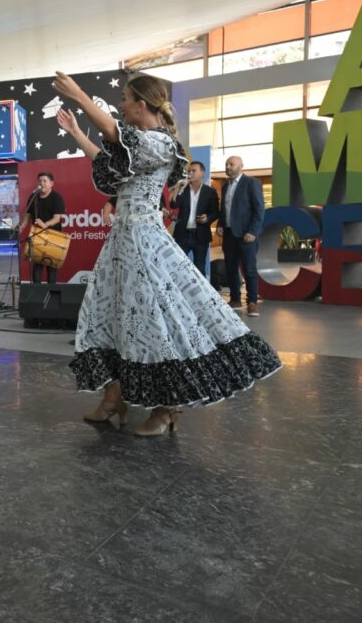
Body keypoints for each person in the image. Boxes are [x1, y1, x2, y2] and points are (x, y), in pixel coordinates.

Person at [53, 71, 280, 436]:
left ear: (142, 105)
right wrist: (78, 133)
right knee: (112, 314)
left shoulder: (161, 143)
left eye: (125, 99)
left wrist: (80, 95)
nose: (122, 105)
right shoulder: (139, 144)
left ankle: (167, 407)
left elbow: (116, 135)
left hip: (144, 242)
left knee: (154, 318)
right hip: (122, 244)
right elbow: (110, 160)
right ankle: (115, 397)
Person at [217, 155, 265, 316]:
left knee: (249, 270)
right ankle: (235, 299)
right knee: (231, 269)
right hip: (229, 235)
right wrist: (221, 225)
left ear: (241, 166)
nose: (228, 167)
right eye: (226, 164)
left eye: (232, 164)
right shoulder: (225, 187)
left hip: (247, 235)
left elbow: (259, 210)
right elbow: (223, 210)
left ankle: (252, 302)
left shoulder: (251, 183)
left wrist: (253, 231)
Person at [170, 161, 219, 276]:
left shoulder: (210, 192)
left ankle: (200, 294)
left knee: (200, 268)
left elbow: (216, 212)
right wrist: (181, 189)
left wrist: (207, 219)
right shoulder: (183, 189)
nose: (190, 173)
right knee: (178, 265)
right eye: (189, 171)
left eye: (194, 171)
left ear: (202, 173)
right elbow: (174, 205)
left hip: (201, 236)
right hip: (182, 235)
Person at [18, 172, 65, 284]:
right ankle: (37, 294)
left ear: (51, 183)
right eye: (40, 181)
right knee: (37, 267)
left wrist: (45, 224)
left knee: (51, 269)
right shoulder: (33, 197)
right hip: (37, 235)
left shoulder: (57, 197)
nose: (42, 183)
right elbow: (27, 215)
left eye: (45, 181)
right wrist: (22, 226)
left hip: (53, 236)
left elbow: (57, 218)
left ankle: (51, 295)